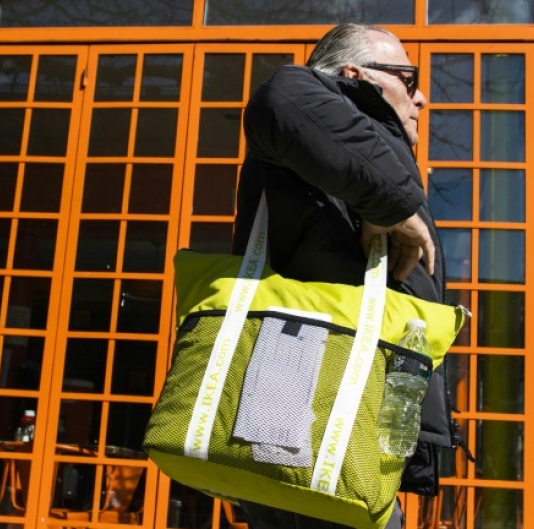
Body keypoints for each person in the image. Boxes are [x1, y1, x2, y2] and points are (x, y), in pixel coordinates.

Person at [231, 23, 452, 529]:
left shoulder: (364, 160)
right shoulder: (309, 111)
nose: (421, 99)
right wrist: (392, 201)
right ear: (357, 76)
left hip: (339, 412)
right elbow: (281, 95)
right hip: (297, 406)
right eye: (409, 78)